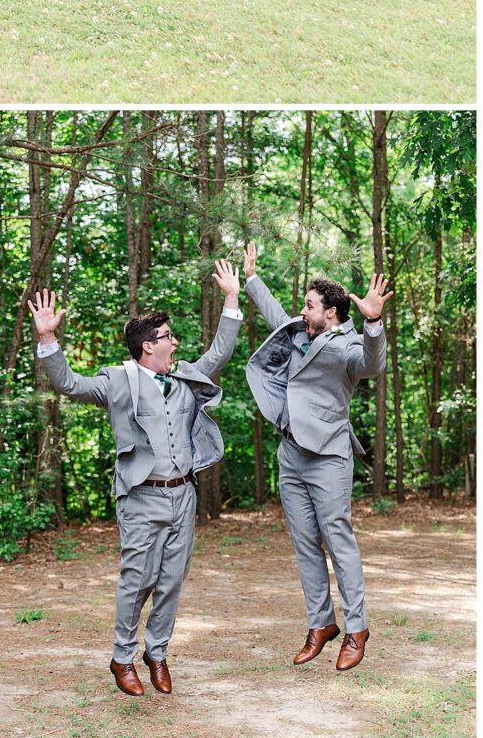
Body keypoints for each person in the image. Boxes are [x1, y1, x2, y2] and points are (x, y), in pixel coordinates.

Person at [31, 264, 244, 695]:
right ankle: (122, 657)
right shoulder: (119, 380)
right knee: (137, 579)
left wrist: (232, 299)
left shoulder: (184, 377)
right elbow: (70, 384)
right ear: (149, 347)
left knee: (171, 580)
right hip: (140, 497)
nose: (176, 342)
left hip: (183, 495)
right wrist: (48, 339)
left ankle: (158, 653)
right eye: (169, 337)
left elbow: (220, 353)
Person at [244, 245, 390, 674]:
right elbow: (274, 315)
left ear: (331, 313)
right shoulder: (298, 333)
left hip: (328, 456)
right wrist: (252, 279)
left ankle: (357, 629)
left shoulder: (347, 347)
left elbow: (372, 363)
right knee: (305, 543)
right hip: (291, 454)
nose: (301, 310)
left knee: (337, 540)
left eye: (309, 305)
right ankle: (321, 624)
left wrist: (374, 321)